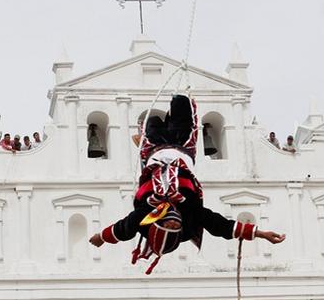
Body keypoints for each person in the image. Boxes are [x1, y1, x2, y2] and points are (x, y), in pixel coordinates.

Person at [89, 95, 285, 274]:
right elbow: (221, 226)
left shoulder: (146, 212)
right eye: (176, 226)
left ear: (158, 223)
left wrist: (101, 237)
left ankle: (147, 135)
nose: (174, 221)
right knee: (181, 101)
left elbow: (124, 228)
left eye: (168, 224)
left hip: (154, 149)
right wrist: (261, 234)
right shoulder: (191, 213)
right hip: (181, 148)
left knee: (153, 121)